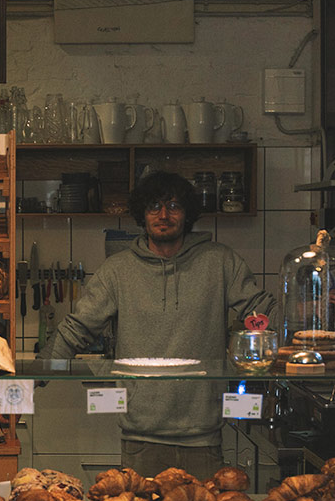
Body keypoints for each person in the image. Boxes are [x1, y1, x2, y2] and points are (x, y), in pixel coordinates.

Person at [39, 170, 279, 478]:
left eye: (174, 206)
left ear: (188, 213)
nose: (163, 215)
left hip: (203, 441)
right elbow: (76, 330)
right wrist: (30, 380)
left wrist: (308, 312)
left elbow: (263, 314)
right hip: (140, 441)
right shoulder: (117, 271)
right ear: (142, 213)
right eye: (154, 206)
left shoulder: (220, 262)